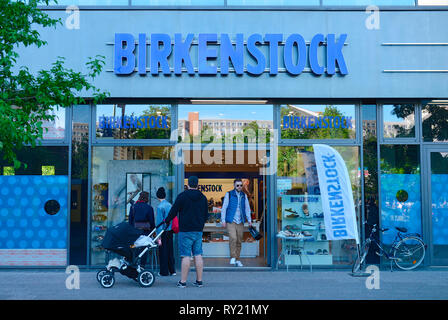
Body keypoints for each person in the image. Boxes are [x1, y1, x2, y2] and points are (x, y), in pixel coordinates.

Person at [165, 176, 208, 288]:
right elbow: (206, 215)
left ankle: (183, 282)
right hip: (198, 230)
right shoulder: (203, 197)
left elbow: (173, 211)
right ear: (197, 185)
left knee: (186, 256)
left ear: (188, 184)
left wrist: (167, 220)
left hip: (185, 230)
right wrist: (200, 224)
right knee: (198, 254)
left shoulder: (182, 196)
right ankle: (199, 281)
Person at [221, 178, 252, 267]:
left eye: (240, 185)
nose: (239, 187)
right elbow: (224, 208)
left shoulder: (244, 195)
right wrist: (223, 220)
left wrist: (249, 220)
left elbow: (247, 208)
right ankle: (233, 257)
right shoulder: (229, 194)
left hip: (240, 221)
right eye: (237, 185)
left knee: (239, 240)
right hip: (231, 220)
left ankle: (237, 259)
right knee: (233, 238)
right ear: (234, 186)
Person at [128, 191, 155, 267]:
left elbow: (130, 221)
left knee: (135, 248)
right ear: (147, 198)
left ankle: (135, 264)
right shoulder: (149, 208)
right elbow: (152, 221)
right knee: (144, 249)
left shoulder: (133, 206)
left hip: (135, 232)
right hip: (146, 232)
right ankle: (142, 266)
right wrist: (153, 231)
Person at [155, 187, 176, 277]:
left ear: (157, 196)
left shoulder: (160, 207)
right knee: (170, 251)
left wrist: (157, 235)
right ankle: (172, 270)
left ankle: (164, 271)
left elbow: (159, 222)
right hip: (170, 231)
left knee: (163, 251)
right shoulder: (169, 205)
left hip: (163, 232)